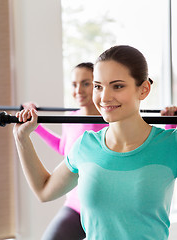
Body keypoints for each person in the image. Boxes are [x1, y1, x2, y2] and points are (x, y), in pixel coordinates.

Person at [12, 45, 177, 239]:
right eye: (99, 86)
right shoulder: (85, 145)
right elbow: (44, 191)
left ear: (144, 89)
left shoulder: (173, 146)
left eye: (117, 86)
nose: (105, 97)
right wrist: (22, 138)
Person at [23, 62, 107, 240]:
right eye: (74, 84)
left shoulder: (111, 122)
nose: (79, 90)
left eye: (86, 83)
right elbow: (64, 148)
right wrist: (35, 126)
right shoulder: (70, 117)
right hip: (76, 207)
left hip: (106, 210)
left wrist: (169, 122)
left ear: (97, 85)